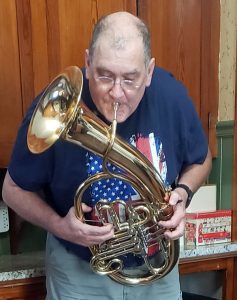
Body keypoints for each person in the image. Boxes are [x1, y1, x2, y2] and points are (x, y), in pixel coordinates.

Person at [2, 11, 212, 300]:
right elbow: (11, 189)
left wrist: (183, 193)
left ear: (149, 72)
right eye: (104, 75)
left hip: (158, 268)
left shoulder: (171, 97)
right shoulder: (55, 108)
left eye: (130, 79)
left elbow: (201, 159)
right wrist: (61, 226)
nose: (116, 93)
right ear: (87, 63)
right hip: (79, 272)